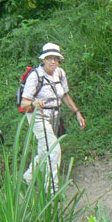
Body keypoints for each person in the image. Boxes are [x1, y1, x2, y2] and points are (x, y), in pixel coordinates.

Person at [20, 43, 86, 191]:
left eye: (56, 58)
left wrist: (77, 112)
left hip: (55, 116)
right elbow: (24, 103)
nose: (53, 61)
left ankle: (28, 178)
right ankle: (52, 190)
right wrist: (34, 102)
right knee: (54, 149)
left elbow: (65, 95)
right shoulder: (35, 76)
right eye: (49, 58)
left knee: (45, 150)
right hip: (38, 116)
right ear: (43, 59)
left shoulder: (60, 73)